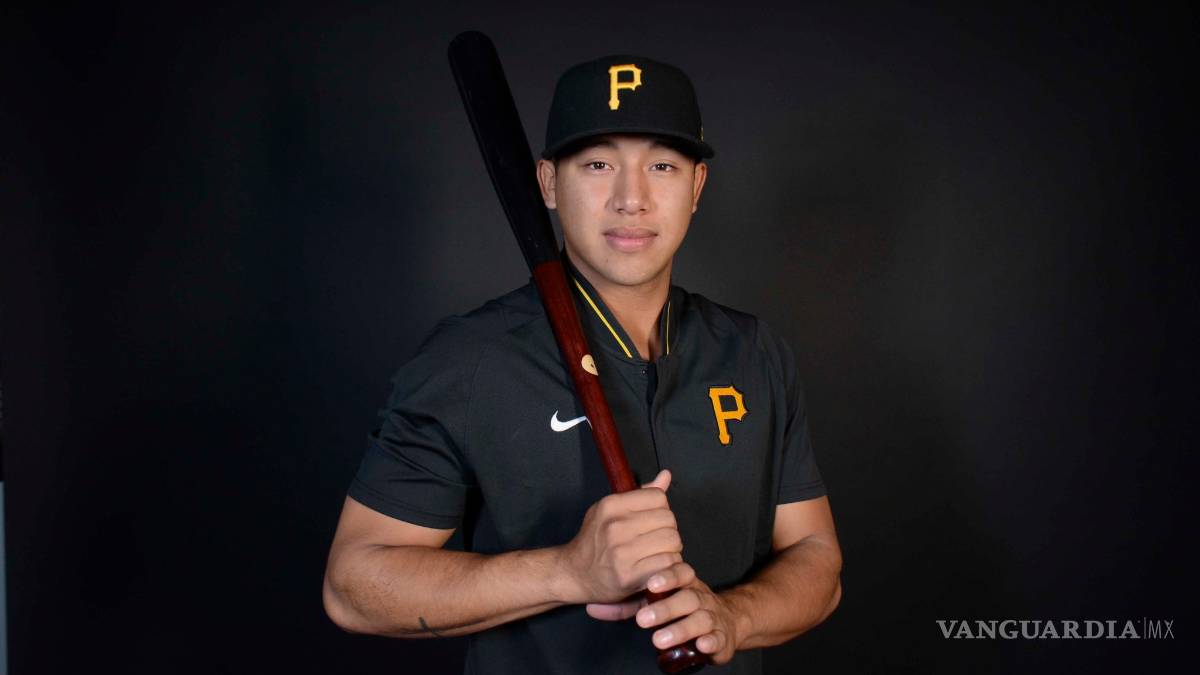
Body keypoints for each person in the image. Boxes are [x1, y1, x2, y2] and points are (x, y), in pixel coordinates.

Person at [323, 53, 842, 674]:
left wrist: (734, 617)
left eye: (662, 166)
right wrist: (567, 571)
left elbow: (817, 557)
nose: (632, 199)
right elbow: (352, 587)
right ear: (547, 183)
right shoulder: (468, 361)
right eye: (598, 164)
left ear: (697, 187)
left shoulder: (753, 352)